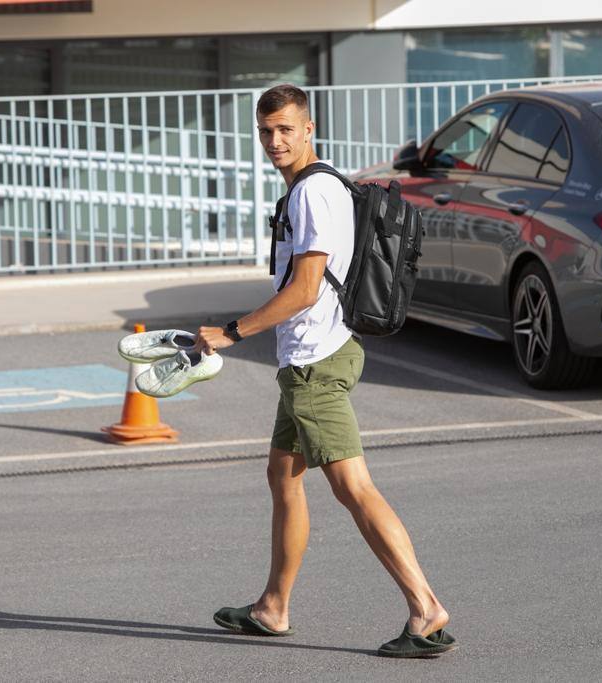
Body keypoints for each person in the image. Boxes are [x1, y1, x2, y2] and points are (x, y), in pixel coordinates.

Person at [195, 84, 455, 658]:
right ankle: (273, 607)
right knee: (282, 476)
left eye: (286, 129)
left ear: (308, 129)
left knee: (354, 488)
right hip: (315, 357)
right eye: (265, 131)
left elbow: (306, 289)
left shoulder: (312, 193)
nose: (274, 141)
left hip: (314, 362)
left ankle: (425, 609)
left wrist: (231, 332)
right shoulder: (322, 185)